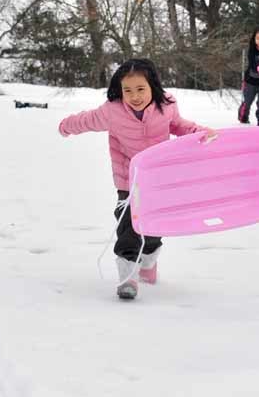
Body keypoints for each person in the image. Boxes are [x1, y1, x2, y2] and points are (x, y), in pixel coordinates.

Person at [58, 58, 214, 300]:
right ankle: (127, 275)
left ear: (152, 85)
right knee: (128, 223)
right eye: (128, 90)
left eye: (140, 89)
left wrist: (201, 133)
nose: (134, 95)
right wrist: (67, 126)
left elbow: (180, 126)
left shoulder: (167, 105)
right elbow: (87, 120)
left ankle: (148, 262)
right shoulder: (113, 110)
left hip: (159, 177)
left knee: (153, 225)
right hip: (128, 178)